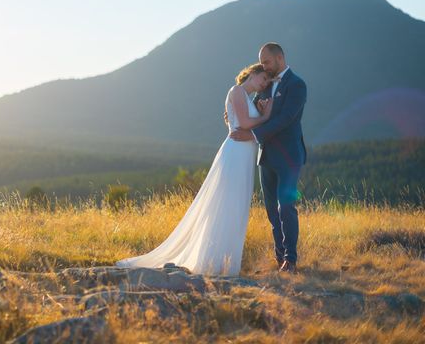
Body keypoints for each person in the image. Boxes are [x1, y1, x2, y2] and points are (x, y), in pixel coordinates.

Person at [115, 63, 272, 276]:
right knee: (226, 204)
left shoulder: (246, 96)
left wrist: (260, 113)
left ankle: (224, 261)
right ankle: (214, 262)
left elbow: (245, 120)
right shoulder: (236, 91)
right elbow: (244, 123)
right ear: (252, 74)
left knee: (236, 207)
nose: (264, 84)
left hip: (244, 156)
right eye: (263, 79)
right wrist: (265, 116)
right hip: (235, 154)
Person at [230, 42, 307, 273]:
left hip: (290, 156)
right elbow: (251, 111)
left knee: (286, 207)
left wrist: (252, 134)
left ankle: (290, 260)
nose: (263, 66)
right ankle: (279, 257)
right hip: (266, 156)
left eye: (266, 61)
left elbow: (285, 119)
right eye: (262, 62)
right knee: (272, 210)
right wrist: (232, 114)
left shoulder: (297, 85)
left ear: (280, 58)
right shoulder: (264, 85)